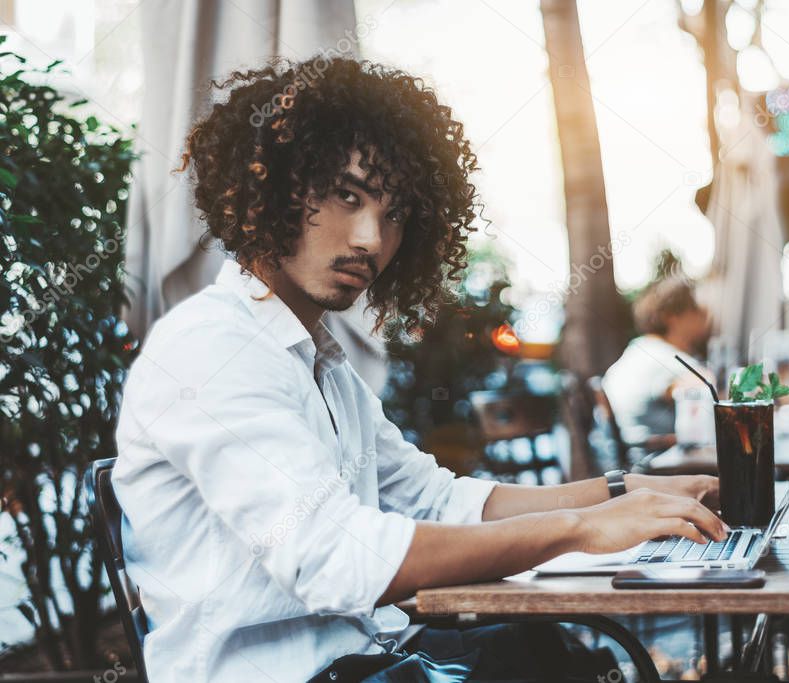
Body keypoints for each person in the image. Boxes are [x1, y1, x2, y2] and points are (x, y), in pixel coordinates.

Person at [111, 56, 727, 683]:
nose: (370, 239)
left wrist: (625, 494)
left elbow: (435, 501)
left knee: (554, 655)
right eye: (346, 195)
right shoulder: (213, 349)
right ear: (272, 186)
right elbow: (338, 559)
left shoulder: (317, 359)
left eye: (395, 213)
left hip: (372, 662)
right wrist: (581, 528)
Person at [603, 275, 714, 441]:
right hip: (649, 457)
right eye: (697, 311)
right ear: (673, 318)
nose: (707, 316)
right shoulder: (665, 357)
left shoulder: (640, 348)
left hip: (621, 455)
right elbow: (707, 387)